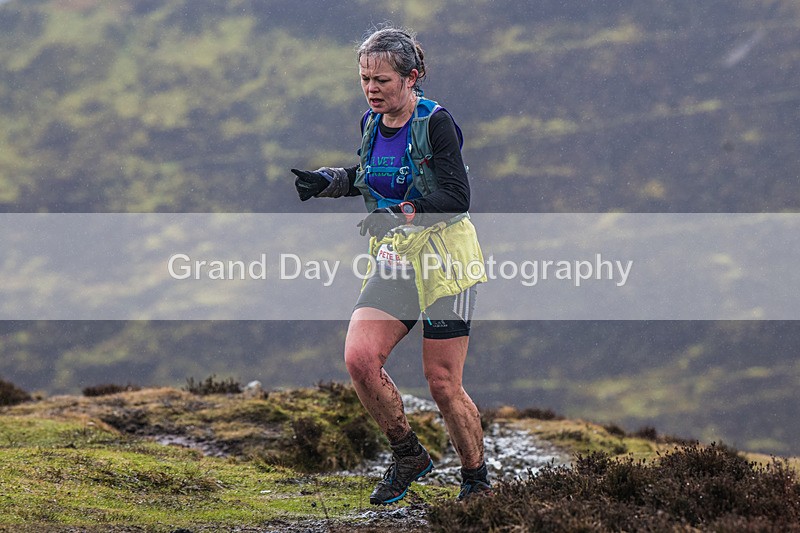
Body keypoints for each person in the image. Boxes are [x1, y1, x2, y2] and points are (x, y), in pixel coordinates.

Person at [291, 25, 491, 504]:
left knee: (443, 384)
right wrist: (330, 180)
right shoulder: (370, 123)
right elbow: (372, 173)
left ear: (412, 77)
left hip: (445, 264)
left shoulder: (435, 123)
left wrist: (400, 214)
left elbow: (456, 198)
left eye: (381, 80)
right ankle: (408, 453)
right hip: (395, 262)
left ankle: (477, 480)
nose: (371, 89)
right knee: (360, 359)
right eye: (364, 79)